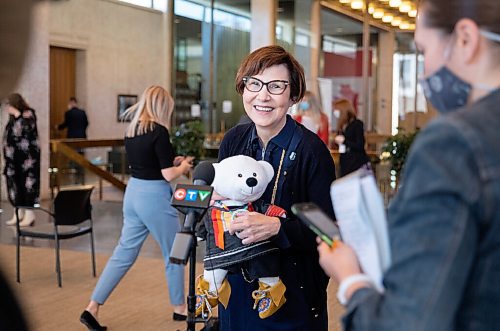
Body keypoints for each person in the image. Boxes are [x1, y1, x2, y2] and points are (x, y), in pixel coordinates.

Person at [317, 0, 500, 330]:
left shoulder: (453, 142)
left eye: (423, 50)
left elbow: (408, 320)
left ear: (465, 40)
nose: (424, 71)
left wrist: (350, 279)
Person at [215, 45, 336, 330]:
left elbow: (329, 231)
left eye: (276, 86)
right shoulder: (234, 140)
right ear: (243, 88)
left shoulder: (312, 152)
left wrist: (278, 228)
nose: (263, 95)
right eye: (254, 84)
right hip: (237, 288)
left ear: (293, 95)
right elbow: (220, 198)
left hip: (293, 295)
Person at [80, 86, 194, 331]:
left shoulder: (133, 130)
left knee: (124, 252)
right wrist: (183, 167)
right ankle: (180, 308)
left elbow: (150, 162)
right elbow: (167, 174)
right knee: (174, 252)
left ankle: (93, 306)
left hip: (133, 193)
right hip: (154, 196)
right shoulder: (159, 131)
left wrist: (173, 161)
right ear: (162, 106)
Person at [2, 93, 40, 227]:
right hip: (13, 161)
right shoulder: (12, 119)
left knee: (28, 186)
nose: (6, 108)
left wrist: (18, 114)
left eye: (8, 105)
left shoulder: (28, 115)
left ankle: (29, 215)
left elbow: (27, 130)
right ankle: (18, 213)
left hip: (27, 161)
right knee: (14, 185)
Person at [333, 98, 369, 177]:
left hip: (356, 162)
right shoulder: (342, 125)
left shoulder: (357, 124)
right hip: (345, 160)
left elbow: (360, 145)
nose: (335, 112)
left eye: (336, 110)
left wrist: (344, 141)